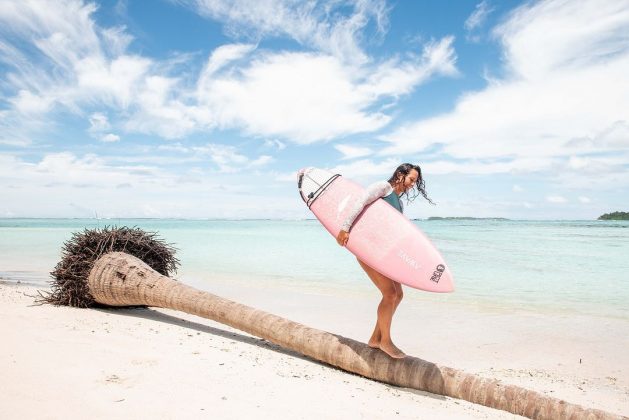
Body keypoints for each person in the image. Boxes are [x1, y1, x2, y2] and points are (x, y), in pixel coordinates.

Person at [336, 163, 433, 359]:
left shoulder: (398, 201)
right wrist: (345, 228)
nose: (412, 185)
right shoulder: (383, 187)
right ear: (400, 174)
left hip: (385, 253)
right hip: (369, 249)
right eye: (411, 180)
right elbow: (360, 201)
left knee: (398, 294)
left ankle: (375, 338)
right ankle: (386, 341)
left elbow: (394, 230)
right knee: (389, 294)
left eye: (415, 181)